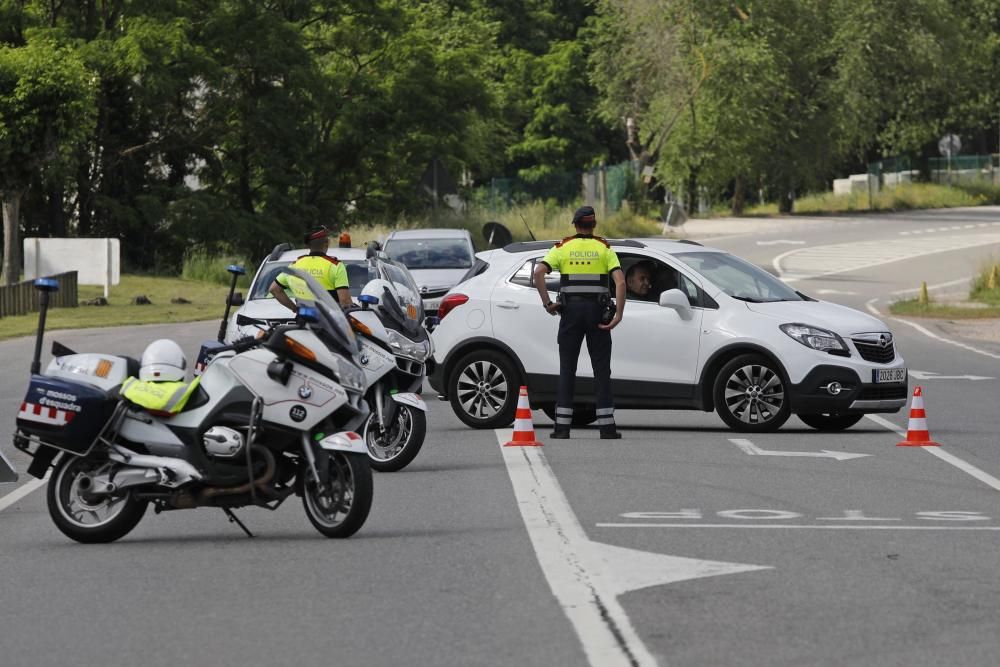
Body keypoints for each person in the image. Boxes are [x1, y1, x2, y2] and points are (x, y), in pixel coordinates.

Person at [533, 206, 626, 440]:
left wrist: (548, 304)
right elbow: (621, 282)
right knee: (601, 371)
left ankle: (562, 428)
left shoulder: (563, 247)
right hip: (597, 314)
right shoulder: (604, 248)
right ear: (593, 225)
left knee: (567, 369)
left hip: (570, 314)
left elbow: (538, 273)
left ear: (575, 224)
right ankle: (607, 428)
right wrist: (618, 315)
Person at [269, 225, 352, 310]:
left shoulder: (295, 265)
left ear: (308, 245)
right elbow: (345, 301)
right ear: (327, 243)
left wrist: (295, 309)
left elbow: (274, 289)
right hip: (330, 321)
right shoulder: (336, 266)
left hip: (304, 320)